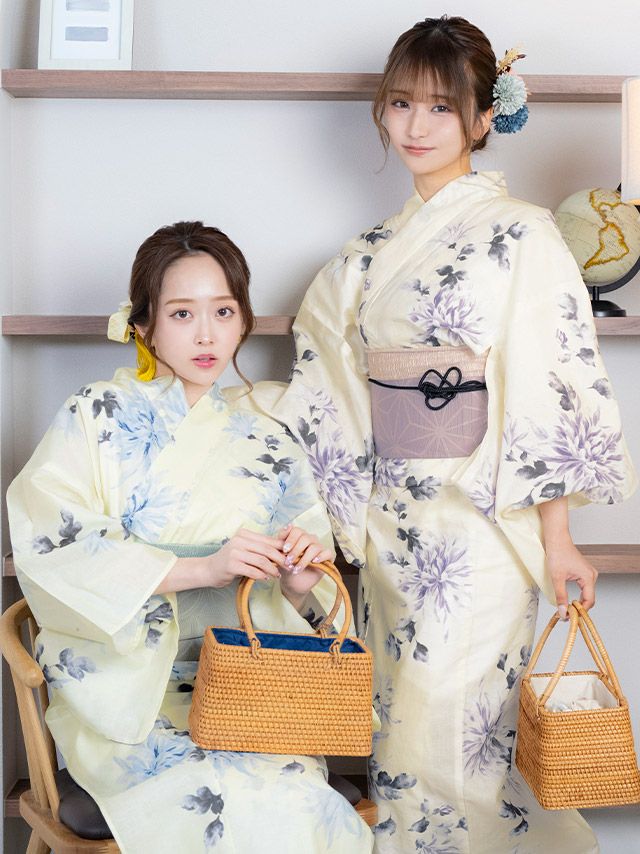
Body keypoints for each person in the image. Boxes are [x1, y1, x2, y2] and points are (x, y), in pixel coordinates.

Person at [244, 16, 637, 854]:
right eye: (400, 104)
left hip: (484, 525)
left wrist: (559, 539)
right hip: (392, 523)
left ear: (484, 117)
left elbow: (547, 379)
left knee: (463, 733)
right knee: (404, 731)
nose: (415, 126)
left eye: (440, 107)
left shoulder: (524, 234)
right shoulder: (366, 253)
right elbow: (327, 371)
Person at [7, 221, 374, 854]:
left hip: (250, 695)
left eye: (223, 312)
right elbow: (53, 544)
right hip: (130, 699)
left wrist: (298, 581)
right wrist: (203, 569)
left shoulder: (269, 440)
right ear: (145, 326)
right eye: (182, 313)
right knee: (199, 800)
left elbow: (314, 599)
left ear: (243, 321)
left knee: (296, 801)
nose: (206, 335)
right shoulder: (95, 414)